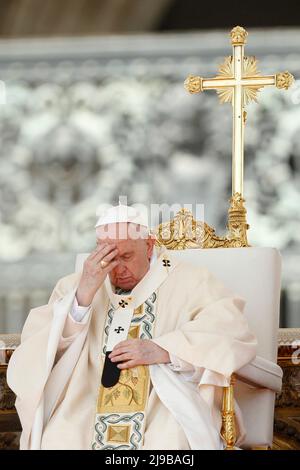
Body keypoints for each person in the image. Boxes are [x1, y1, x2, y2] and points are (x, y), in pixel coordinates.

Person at [7, 204, 257, 450]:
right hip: (86, 397)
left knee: (170, 441)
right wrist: (82, 298)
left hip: (164, 399)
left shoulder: (193, 281)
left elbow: (230, 330)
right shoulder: (78, 286)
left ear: (149, 246)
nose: (118, 269)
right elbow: (44, 353)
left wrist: (163, 349)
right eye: (110, 258)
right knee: (59, 439)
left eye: (126, 257)